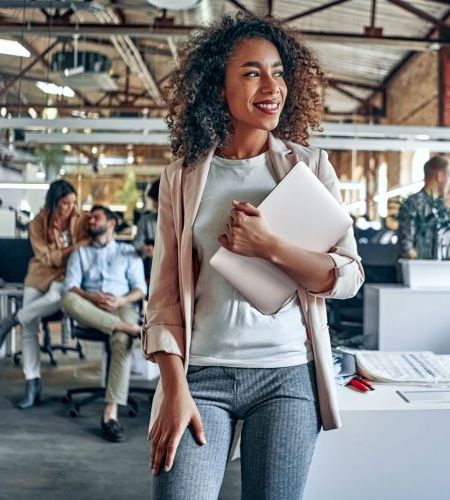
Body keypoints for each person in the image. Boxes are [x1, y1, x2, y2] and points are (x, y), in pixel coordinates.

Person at [142, 13, 364, 500]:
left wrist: (270, 247)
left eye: (279, 71)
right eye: (251, 72)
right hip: (202, 373)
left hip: (287, 375)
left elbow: (347, 276)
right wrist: (174, 389)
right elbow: (162, 302)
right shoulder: (182, 178)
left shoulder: (309, 167)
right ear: (216, 86)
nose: (272, 86)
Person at [0, 180, 90, 409]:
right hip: (39, 274)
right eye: (66, 203)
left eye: (74, 202)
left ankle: (12, 319)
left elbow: (90, 242)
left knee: (56, 297)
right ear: (55, 203)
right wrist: (75, 248)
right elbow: (46, 258)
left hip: (66, 277)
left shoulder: (81, 219)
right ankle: (32, 382)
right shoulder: (36, 224)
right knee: (29, 326)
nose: (71, 207)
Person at [60, 205, 147, 442]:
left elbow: (140, 288)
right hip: (90, 307)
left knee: (121, 341)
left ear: (111, 223)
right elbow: (71, 286)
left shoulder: (128, 251)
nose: (90, 222)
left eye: (95, 218)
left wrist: (121, 299)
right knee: (68, 300)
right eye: (88, 219)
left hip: (122, 306)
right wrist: (92, 297)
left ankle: (111, 413)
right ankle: (132, 330)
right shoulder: (81, 253)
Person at [396, 155, 450, 260]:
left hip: (440, 273)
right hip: (418, 273)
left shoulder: (442, 209)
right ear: (440, 176)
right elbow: (407, 248)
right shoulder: (413, 204)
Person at [133, 179, 160, 280]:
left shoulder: (182, 221)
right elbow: (137, 242)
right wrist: (143, 249)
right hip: (152, 272)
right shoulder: (146, 220)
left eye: (156, 200)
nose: (153, 204)